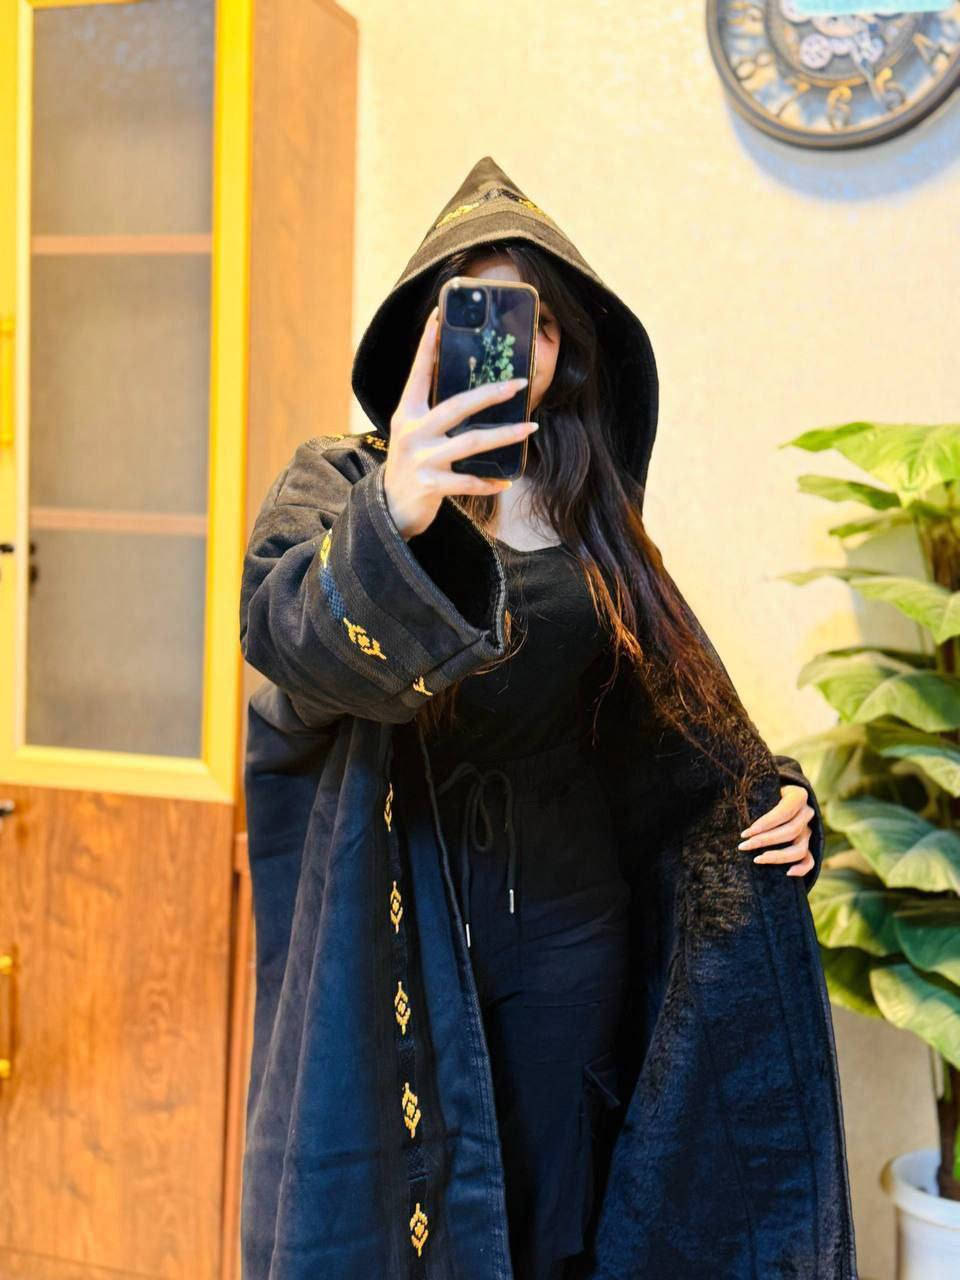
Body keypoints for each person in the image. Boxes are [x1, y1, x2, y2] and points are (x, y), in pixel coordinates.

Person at [239, 156, 858, 1279]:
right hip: (405, 939)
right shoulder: (342, 484)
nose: (508, 346)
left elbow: (678, 731)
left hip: (573, 938)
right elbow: (292, 646)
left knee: (559, 1221)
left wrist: (770, 801)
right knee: (402, 1223)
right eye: (474, 309)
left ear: (564, 350)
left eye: (535, 323)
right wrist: (399, 507)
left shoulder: (591, 515)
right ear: (427, 333)